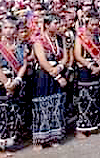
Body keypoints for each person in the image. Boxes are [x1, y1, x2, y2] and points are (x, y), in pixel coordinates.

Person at [0, 17, 29, 158]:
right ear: (2, 30)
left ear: (16, 30)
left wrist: (17, 80)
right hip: (0, 83)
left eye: (12, 28)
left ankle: (7, 144)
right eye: (6, 28)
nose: (9, 31)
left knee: (10, 114)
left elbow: (24, 64)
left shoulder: (21, 45)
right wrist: (7, 83)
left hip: (16, 81)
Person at [31, 14, 68, 150]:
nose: (58, 26)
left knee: (55, 104)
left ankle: (53, 136)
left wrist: (59, 67)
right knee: (42, 105)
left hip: (57, 70)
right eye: (55, 23)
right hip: (44, 75)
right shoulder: (38, 40)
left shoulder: (60, 38)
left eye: (59, 23)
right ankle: (39, 140)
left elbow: (65, 57)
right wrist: (57, 76)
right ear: (46, 25)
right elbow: (42, 61)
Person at [73, 12, 100, 138]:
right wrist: (91, 66)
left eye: (96, 25)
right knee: (84, 99)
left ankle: (93, 125)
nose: (94, 27)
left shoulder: (98, 37)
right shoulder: (80, 37)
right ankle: (81, 129)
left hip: (97, 68)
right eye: (92, 24)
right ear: (86, 24)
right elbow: (78, 55)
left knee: (94, 98)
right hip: (85, 70)